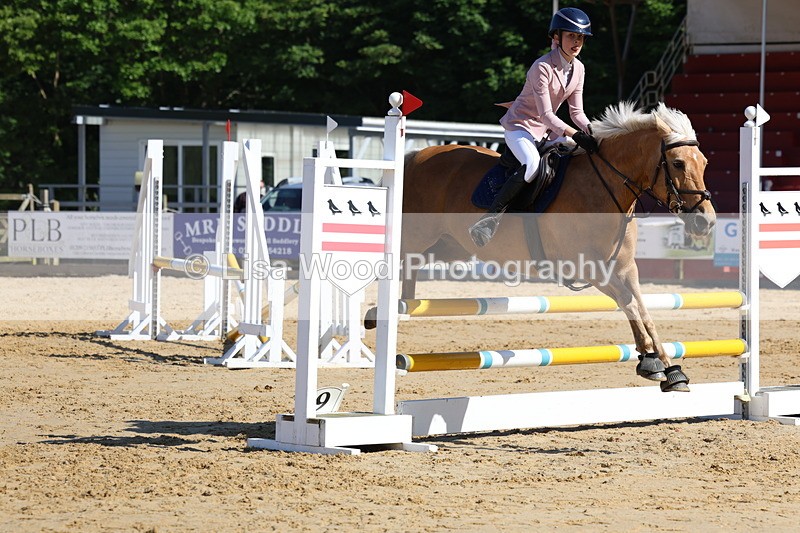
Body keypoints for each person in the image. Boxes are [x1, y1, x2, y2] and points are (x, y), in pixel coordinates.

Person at [469, 7, 599, 247]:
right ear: (556, 37)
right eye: (571, 36)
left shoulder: (579, 69)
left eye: (580, 37)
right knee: (532, 165)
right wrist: (575, 134)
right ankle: (488, 220)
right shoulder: (542, 67)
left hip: (546, 131)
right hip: (520, 126)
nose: (576, 42)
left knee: (577, 153)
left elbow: (576, 113)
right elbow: (546, 114)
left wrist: (593, 133)